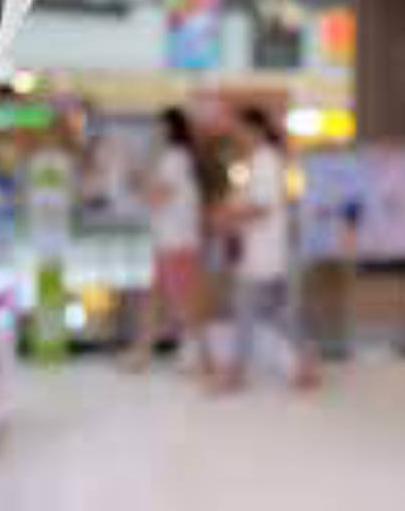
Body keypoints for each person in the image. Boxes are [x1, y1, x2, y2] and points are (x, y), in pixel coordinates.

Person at [214, 107, 318, 392]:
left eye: (240, 130)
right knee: (278, 314)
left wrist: (229, 216)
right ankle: (305, 367)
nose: (236, 135)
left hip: (267, 251)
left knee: (249, 310)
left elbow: (262, 207)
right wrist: (232, 212)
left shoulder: (266, 161)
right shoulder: (258, 161)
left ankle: (236, 373)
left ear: (255, 130)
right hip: (265, 251)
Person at [126, 108, 213, 377]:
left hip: (176, 242)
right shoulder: (179, 158)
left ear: (168, 129)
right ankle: (141, 353)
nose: (155, 133)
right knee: (156, 299)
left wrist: (135, 182)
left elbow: (158, 197)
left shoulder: (174, 158)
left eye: (159, 127)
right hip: (171, 241)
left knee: (182, 301)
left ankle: (203, 359)